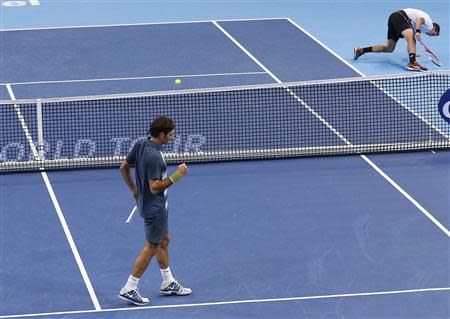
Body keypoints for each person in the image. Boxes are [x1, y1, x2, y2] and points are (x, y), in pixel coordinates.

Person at [118, 116, 191, 306]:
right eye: (171, 135)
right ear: (162, 135)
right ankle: (130, 287)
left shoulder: (141, 144)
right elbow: (155, 187)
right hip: (154, 208)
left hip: (149, 203)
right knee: (152, 245)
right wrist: (178, 175)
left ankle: (168, 282)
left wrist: (135, 191)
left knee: (163, 240)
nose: (172, 138)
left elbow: (123, 167)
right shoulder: (154, 157)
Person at [354, 8, 440, 71]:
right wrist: (417, 32)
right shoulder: (429, 25)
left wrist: (412, 52)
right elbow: (419, 20)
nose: (432, 35)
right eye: (434, 34)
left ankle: (361, 50)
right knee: (411, 37)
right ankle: (412, 63)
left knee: (389, 48)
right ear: (434, 29)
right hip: (401, 17)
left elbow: (410, 41)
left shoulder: (423, 27)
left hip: (393, 18)